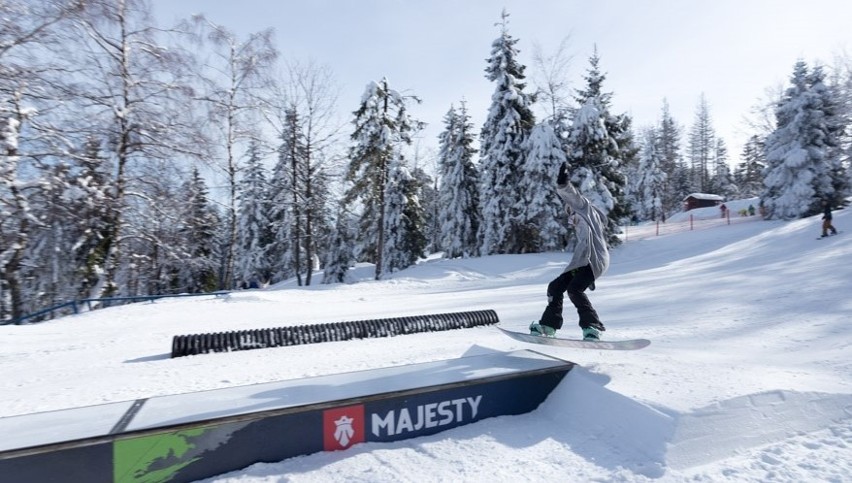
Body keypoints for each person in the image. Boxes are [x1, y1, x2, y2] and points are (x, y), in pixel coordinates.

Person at [530, 163, 610, 341]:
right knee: (555, 287)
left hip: (594, 260)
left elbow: (574, 198)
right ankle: (548, 326)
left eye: (570, 213)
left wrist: (562, 184)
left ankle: (592, 327)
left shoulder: (586, 210)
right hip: (581, 262)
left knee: (575, 289)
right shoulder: (580, 219)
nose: (570, 219)